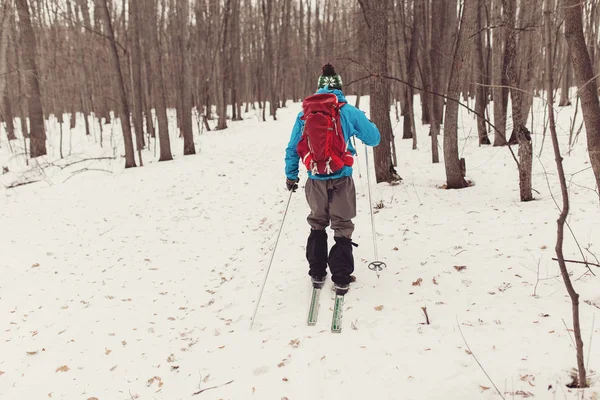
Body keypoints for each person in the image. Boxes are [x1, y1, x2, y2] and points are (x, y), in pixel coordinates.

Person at [284, 63, 380, 295]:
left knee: (317, 224)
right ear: (339, 88)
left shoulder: (304, 114)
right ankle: (341, 276)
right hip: (342, 178)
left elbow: (292, 147)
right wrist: (360, 126)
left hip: (315, 179)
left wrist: (291, 175)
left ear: (318, 89)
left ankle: (317, 273)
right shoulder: (348, 111)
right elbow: (374, 138)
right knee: (342, 225)